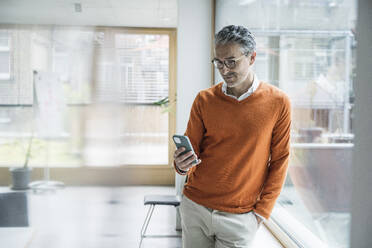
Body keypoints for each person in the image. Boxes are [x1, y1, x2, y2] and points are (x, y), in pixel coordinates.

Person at [173, 25, 292, 248]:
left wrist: (260, 213)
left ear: (252, 57)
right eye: (218, 62)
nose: (224, 70)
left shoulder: (278, 102)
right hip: (195, 207)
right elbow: (190, 154)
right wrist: (180, 164)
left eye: (231, 62)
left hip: (240, 217)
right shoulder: (204, 100)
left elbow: (280, 161)